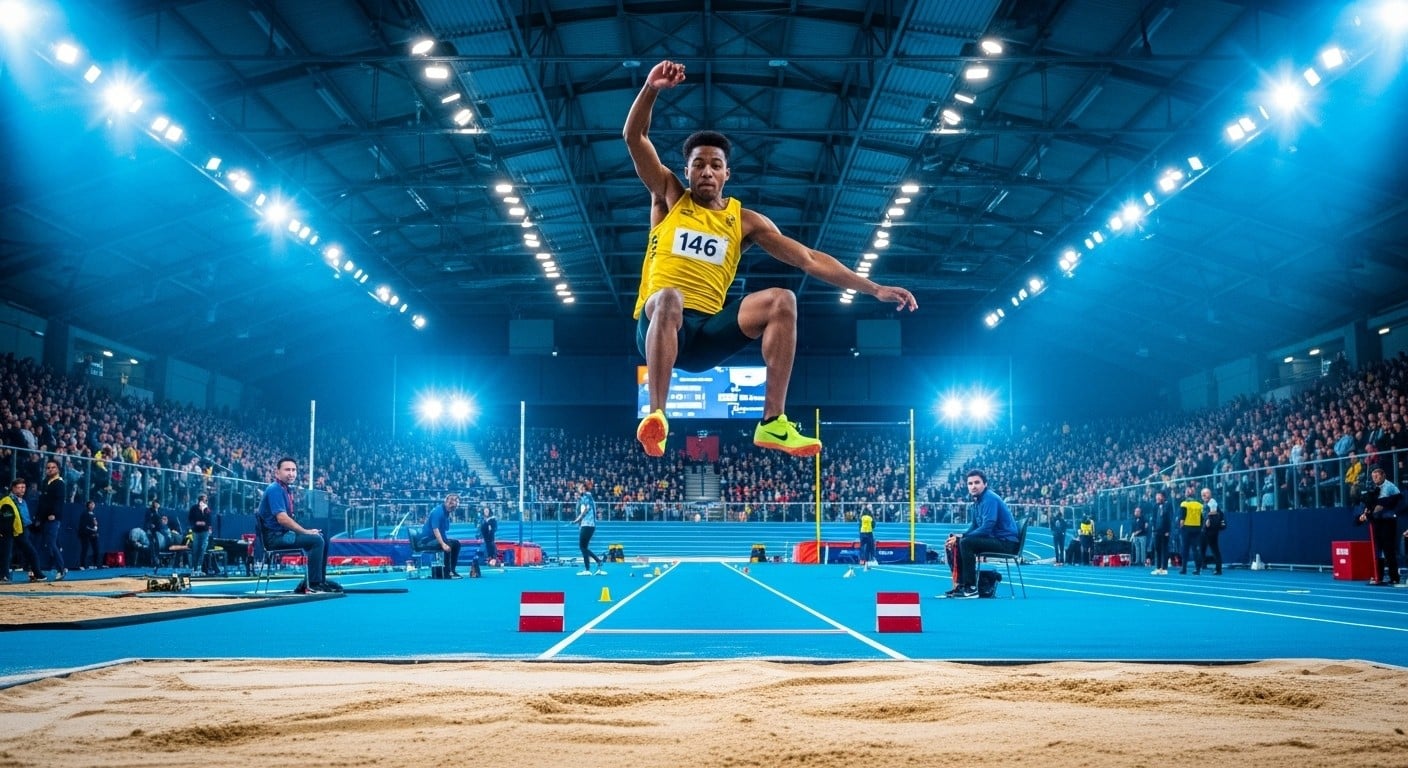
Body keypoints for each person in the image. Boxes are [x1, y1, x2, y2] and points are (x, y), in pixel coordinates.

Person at [624, 59, 918, 459]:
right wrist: (651, 88)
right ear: (687, 172)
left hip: (706, 334)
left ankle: (773, 422)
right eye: (698, 165)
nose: (706, 171)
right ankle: (656, 417)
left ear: (727, 173)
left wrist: (875, 287)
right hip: (659, 326)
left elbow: (810, 259)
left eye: (715, 165)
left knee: (783, 299)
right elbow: (634, 136)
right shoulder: (669, 196)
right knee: (670, 296)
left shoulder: (744, 221)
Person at [256, 457, 339, 593]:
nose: (291, 473)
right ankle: (313, 583)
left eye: (294, 470)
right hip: (274, 538)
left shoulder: (284, 489)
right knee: (316, 540)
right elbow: (282, 519)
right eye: (287, 470)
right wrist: (305, 532)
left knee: (321, 537)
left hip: (282, 535)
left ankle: (319, 580)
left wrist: (306, 531)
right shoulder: (275, 489)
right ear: (277, 472)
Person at [942, 470, 1019, 599]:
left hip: (1006, 543)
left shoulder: (990, 499)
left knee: (965, 542)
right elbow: (974, 526)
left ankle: (970, 588)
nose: (973, 486)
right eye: (970, 483)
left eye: (977, 482)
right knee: (960, 541)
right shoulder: (977, 502)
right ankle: (961, 585)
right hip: (997, 540)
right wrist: (959, 535)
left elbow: (987, 528)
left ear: (985, 484)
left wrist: (963, 537)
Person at [1358, 466, 1402, 586]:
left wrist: (1368, 514)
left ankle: (1394, 577)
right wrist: (1364, 513)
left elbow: (1380, 506)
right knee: (1379, 548)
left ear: (1383, 476)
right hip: (1379, 520)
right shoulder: (1375, 488)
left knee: (1388, 549)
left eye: (1377, 476)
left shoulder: (1387, 487)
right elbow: (1371, 504)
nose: (1374, 479)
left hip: (1388, 520)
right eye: (1373, 476)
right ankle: (1379, 576)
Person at [0, 478, 43, 582]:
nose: (22, 490)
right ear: (13, 488)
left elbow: (25, 518)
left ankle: (37, 573)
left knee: (30, 551)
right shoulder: (6, 500)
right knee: (6, 554)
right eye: (19, 487)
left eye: (23, 487)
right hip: (9, 531)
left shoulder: (23, 501)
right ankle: (3, 576)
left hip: (22, 530)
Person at [417, 493, 463, 578]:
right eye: (452, 507)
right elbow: (436, 530)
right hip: (426, 540)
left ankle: (452, 570)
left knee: (456, 544)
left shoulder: (446, 513)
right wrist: (443, 544)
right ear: (447, 503)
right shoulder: (438, 512)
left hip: (434, 538)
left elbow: (446, 529)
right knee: (447, 544)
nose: (453, 509)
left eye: (454, 507)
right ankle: (446, 572)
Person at [36, 459, 67, 580]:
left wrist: (54, 513)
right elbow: (42, 501)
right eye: (48, 468)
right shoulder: (45, 482)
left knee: (51, 543)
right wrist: (38, 517)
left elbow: (59, 501)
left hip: (53, 518)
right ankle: (36, 570)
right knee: (45, 543)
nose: (50, 469)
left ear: (58, 469)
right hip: (43, 517)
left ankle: (61, 569)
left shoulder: (59, 483)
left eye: (53, 467)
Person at [571, 482, 607, 576]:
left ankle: (597, 561)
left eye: (579, 487)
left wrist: (577, 520)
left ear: (583, 488)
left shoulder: (587, 496)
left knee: (582, 547)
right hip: (588, 525)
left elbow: (586, 510)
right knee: (584, 547)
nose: (578, 489)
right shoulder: (585, 497)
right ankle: (589, 568)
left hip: (588, 525)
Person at [1178, 488, 1204, 575]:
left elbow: (1182, 519)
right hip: (1197, 529)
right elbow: (1202, 518)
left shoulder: (1184, 504)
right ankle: (1198, 569)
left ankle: (1184, 568)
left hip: (1186, 528)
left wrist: (1181, 528)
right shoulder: (1199, 505)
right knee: (1196, 550)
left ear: (1186, 495)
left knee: (1185, 549)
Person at [1201, 491, 1227, 575]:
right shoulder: (1207, 503)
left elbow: (1213, 513)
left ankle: (1218, 569)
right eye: (1203, 495)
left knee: (1215, 550)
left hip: (1211, 530)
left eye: (1206, 494)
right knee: (1206, 548)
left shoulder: (1212, 503)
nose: (1204, 496)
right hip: (1207, 530)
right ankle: (1203, 565)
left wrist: (1208, 519)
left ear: (1210, 494)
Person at [188, 494, 214, 574]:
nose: (206, 501)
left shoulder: (207, 509)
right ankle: (193, 568)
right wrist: (196, 523)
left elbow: (209, 520)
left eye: (206, 500)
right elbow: (190, 519)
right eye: (205, 500)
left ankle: (199, 567)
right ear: (200, 500)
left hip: (204, 531)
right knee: (195, 549)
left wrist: (205, 524)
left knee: (202, 549)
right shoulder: (194, 508)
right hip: (196, 531)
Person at [1150, 490, 1173, 575]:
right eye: (1156, 496)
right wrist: (1153, 527)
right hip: (1156, 531)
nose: (1157, 498)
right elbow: (1153, 518)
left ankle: (1164, 568)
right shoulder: (1155, 506)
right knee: (1157, 549)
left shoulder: (1168, 505)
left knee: (1164, 549)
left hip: (1165, 531)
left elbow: (1170, 519)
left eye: (1159, 496)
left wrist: (1168, 530)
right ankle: (1158, 567)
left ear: (1163, 497)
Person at [77, 499, 101, 569]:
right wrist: (92, 530)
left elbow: (95, 523)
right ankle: (82, 565)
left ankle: (95, 565)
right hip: (85, 534)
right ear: (88, 505)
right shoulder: (84, 514)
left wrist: (95, 530)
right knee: (85, 549)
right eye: (91, 504)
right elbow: (84, 525)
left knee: (96, 549)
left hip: (93, 534)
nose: (93, 505)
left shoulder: (93, 514)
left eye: (93, 504)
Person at [143, 499, 164, 571]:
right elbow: (147, 521)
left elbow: (161, 522)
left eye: (158, 503)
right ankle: (154, 562)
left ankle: (157, 561)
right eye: (155, 503)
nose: (157, 504)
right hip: (151, 531)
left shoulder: (160, 512)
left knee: (157, 546)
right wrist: (148, 527)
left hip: (157, 532)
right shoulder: (149, 511)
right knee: (152, 545)